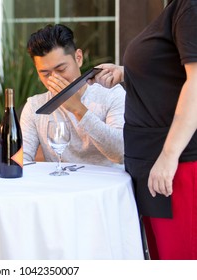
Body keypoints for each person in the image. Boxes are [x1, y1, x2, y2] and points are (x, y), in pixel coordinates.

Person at [89, 0, 197, 259]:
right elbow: (171, 72)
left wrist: (168, 157)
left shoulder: (190, 6)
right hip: (155, 163)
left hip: (176, 167)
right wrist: (127, 73)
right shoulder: (177, 6)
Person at [20, 24, 126, 167]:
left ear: (78, 58)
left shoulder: (112, 94)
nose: (55, 78)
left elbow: (121, 153)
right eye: (45, 74)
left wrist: (79, 110)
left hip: (106, 186)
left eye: (61, 69)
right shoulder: (35, 106)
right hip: (60, 187)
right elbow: (22, 160)